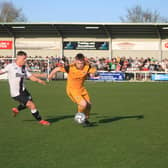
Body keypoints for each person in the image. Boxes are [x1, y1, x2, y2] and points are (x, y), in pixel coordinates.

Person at [0, 51, 50, 126]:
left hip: (23, 90)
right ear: (18, 58)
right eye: (24, 58)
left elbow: (30, 76)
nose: (25, 60)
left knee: (29, 103)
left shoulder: (23, 68)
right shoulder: (10, 66)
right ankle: (41, 120)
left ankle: (17, 109)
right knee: (32, 105)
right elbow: (1, 71)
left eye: (25, 58)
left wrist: (39, 80)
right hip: (16, 93)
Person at [48, 53, 97, 126]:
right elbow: (57, 68)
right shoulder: (70, 68)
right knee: (83, 104)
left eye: (81, 63)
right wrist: (50, 76)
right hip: (72, 90)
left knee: (89, 105)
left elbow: (94, 72)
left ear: (84, 62)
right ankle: (79, 117)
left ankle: (85, 119)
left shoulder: (87, 67)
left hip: (82, 89)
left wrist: (93, 70)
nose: (80, 65)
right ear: (75, 61)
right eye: (78, 63)